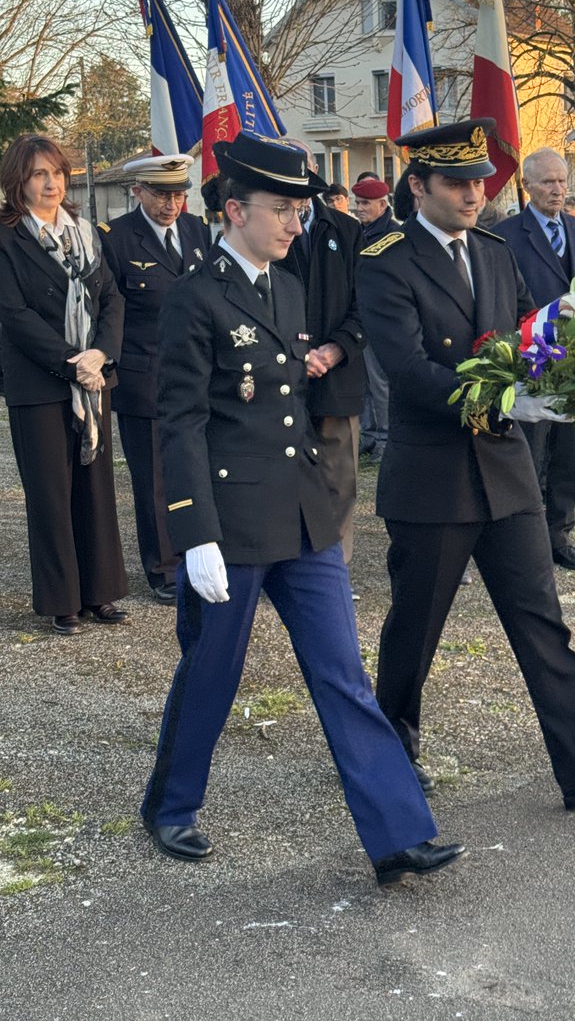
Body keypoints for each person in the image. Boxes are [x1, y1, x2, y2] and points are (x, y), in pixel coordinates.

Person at [140, 131, 462, 885]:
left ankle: (397, 834)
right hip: (233, 524)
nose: (294, 223)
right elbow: (180, 421)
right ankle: (172, 806)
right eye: (281, 210)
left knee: (342, 675)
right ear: (233, 210)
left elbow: (289, 405)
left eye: (298, 210)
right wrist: (194, 532)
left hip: (304, 517)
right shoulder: (196, 297)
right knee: (213, 670)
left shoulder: (288, 287)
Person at [356, 118, 575, 810]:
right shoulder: (385, 257)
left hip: (505, 471)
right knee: (415, 630)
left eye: (479, 182)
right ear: (419, 185)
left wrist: (570, 377)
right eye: (456, 183)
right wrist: (503, 396)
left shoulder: (492, 249)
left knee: (541, 619)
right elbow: (406, 368)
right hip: (434, 475)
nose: (471, 194)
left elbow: (527, 332)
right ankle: (393, 749)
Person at [0, 134, 129, 636]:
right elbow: (13, 314)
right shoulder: (8, 238)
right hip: (41, 383)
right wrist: (73, 361)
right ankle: (63, 602)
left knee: (96, 489)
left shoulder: (87, 234)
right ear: (18, 182)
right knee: (51, 494)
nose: (51, 183)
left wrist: (101, 353)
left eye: (57, 172)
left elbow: (113, 300)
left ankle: (100, 593)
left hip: (94, 378)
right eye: (39, 175)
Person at [99, 154, 212, 604]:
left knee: (199, 469)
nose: (171, 204)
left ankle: (199, 552)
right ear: (138, 192)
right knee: (154, 479)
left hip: (197, 372)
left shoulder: (197, 230)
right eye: (162, 194)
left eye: (179, 194)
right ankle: (164, 568)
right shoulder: (117, 238)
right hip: (144, 375)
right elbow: (109, 310)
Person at [494, 149, 575, 573]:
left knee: (568, 452)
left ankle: (559, 534)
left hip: (573, 363)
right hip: (531, 358)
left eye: (562, 181)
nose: (558, 189)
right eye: (548, 182)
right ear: (528, 187)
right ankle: (525, 539)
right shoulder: (505, 236)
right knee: (530, 451)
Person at [276, 146, 366, 565]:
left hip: (337, 377)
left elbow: (368, 304)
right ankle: (285, 563)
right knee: (282, 475)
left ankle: (333, 568)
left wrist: (335, 349)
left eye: (306, 175)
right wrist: (295, 356)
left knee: (338, 480)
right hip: (278, 377)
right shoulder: (267, 234)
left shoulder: (349, 232)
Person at [352, 177, 401, 465]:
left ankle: (385, 437)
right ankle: (369, 434)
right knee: (364, 381)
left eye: (365, 203)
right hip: (360, 315)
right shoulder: (361, 232)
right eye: (357, 203)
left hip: (381, 317)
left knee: (381, 382)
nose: (359, 208)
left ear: (382, 205)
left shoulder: (392, 235)